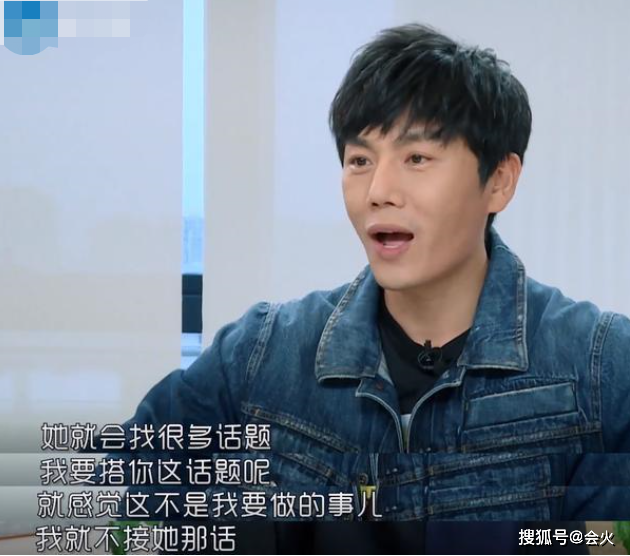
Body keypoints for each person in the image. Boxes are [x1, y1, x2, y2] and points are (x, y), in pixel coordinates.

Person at [110, 23, 629, 554]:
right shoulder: (261, 353)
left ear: (499, 180)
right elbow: (129, 498)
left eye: (416, 158)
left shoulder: (601, 367)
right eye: (360, 161)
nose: (378, 192)